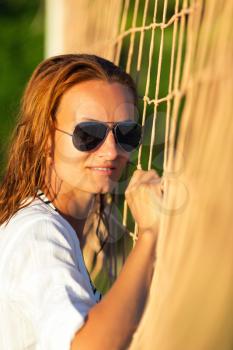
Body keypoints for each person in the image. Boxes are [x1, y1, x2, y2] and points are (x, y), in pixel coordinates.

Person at [0, 54, 162, 350]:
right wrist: (150, 234)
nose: (112, 151)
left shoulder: (46, 221)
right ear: (44, 138)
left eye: (127, 133)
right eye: (89, 133)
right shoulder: (38, 235)